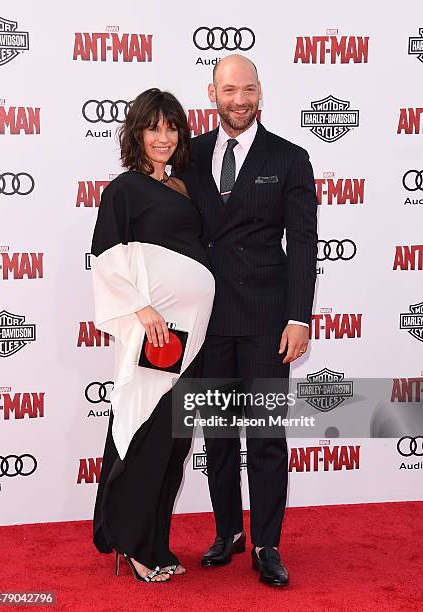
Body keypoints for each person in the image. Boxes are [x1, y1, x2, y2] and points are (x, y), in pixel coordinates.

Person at [178, 55, 318, 586]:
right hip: (208, 319)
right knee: (216, 436)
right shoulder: (188, 157)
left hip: (265, 319)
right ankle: (227, 533)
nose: (240, 100)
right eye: (230, 89)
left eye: (250, 90)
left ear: (262, 93)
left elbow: (303, 243)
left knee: (263, 437)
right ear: (211, 92)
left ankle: (266, 543)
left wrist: (298, 317)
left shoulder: (290, 158)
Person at [90, 88, 215, 582]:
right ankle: (135, 545)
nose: (163, 137)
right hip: (160, 338)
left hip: (195, 338)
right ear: (137, 133)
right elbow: (105, 257)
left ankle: (156, 543)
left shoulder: (182, 188)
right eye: (153, 127)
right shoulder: (123, 190)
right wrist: (142, 309)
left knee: (175, 443)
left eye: (171, 128)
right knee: (149, 435)